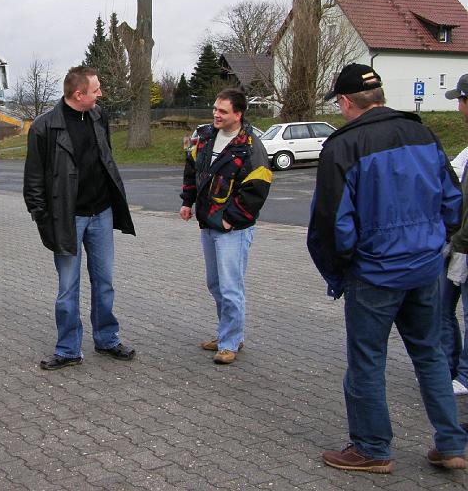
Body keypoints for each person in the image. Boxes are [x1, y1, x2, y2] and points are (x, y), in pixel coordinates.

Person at [307, 63, 467, 473]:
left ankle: (372, 448)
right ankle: (451, 443)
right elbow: (453, 201)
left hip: (375, 272)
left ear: (345, 102)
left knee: (366, 360)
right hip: (425, 267)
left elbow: (331, 222)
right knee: (430, 354)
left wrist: (341, 269)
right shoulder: (422, 133)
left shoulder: (343, 145)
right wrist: (433, 242)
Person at [23, 65, 136, 370]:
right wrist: (44, 220)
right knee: (68, 288)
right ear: (78, 94)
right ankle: (68, 348)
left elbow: (106, 158)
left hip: (101, 213)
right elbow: (33, 181)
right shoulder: (44, 127)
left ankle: (107, 339)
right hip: (67, 219)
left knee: (104, 282)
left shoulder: (99, 116)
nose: (100, 94)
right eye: (96, 90)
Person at [179, 89, 272, 365]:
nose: (216, 115)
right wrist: (188, 201)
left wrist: (231, 218)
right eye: (215, 109)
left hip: (233, 229)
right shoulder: (206, 136)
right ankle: (227, 333)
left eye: (223, 111)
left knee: (231, 287)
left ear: (238, 114)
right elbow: (192, 169)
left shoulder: (251, 146)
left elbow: (257, 189)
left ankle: (230, 342)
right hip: (208, 224)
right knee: (216, 284)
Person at [442, 73, 468, 398]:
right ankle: (448, 368)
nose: (459, 107)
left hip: (463, 244)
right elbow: (451, 171)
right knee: (442, 308)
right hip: (456, 242)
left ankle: (464, 373)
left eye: (460, 100)